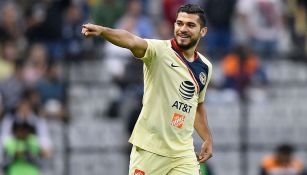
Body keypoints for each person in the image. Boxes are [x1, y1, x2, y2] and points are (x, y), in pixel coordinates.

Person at [82, 4, 213, 175]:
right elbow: (131, 40)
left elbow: (197, 107)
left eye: (190, 25)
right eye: (179, 23)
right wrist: (103, 31)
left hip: (183, 153)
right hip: (149, 150)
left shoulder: (205, 67)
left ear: (203, 31)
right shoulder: (160, 51)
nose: (183, 29)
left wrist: (207, 139)